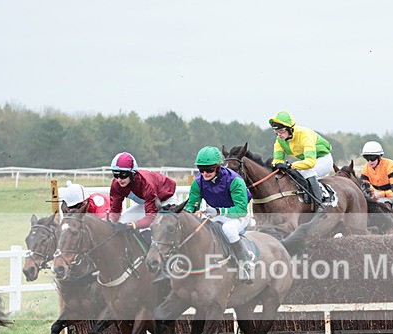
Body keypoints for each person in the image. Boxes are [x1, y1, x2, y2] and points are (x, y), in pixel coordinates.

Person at [184, 146, 255, 283]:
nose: (205, 173)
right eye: (201, 169)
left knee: (227, 229)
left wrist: (219, 211)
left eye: (209, 169)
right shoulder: (198, 182)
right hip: (215, 214)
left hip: (238, 215)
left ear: (219, 166)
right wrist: (185, 214)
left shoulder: (235, 180)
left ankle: (245, 264)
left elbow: (241, 209)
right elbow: (192, 205)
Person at [268, 111, 331, 208]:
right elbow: (277, 160)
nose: (279, 134)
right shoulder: (279, 141)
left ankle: (320, 205)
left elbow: (310, 162)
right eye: (276, 132)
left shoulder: (305, 134)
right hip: (305, 162)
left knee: (307, 172)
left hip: (323, 159)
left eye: (281, 131)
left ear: (290, 129)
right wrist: (277, 165)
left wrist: (290, 166)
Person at [108, 151, 180, 231]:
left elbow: (151, 218)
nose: (119, 179)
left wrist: (133, 225)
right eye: (116, 174)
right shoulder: (116, 184)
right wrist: (107, 221)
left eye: (123, 174)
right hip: (148, 203)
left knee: (156, 229)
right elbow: (115, 211)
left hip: (166, 200)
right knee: (120, 223)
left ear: (132, 173)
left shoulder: (146, 183)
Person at [359, 141, 393, 234]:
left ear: (379, 157)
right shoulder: (366, 169)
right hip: (385, 194)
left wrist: (379, 194)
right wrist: (370, 193)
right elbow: (365, 187)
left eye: (372, 158)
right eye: (366, 158)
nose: (369, 161)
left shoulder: (391, 166)